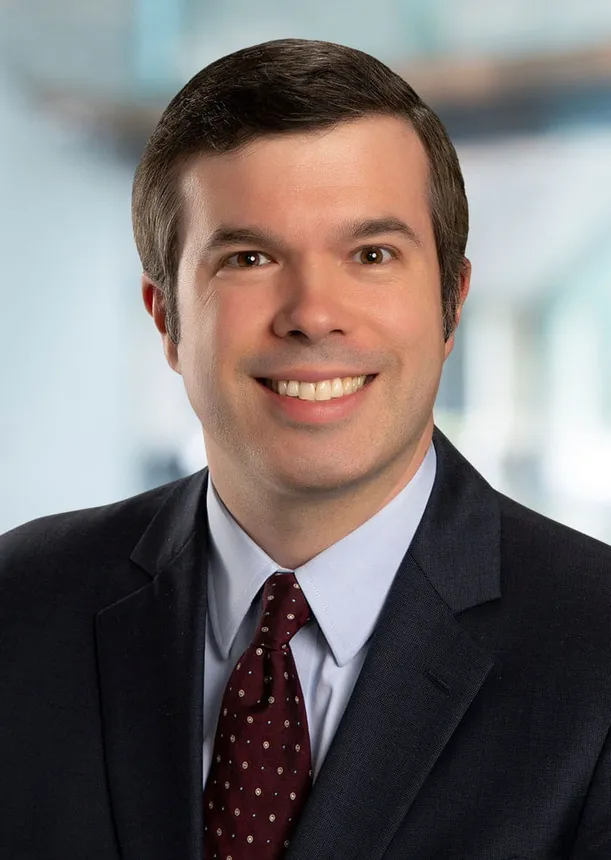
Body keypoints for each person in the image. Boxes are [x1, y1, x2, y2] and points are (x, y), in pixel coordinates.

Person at [0, 37, 609, 860]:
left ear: (450, 305)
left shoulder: (594, 649)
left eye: (370, 255)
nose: (313, 314)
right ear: (165, 319)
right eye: (249, 258)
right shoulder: (22, 605)